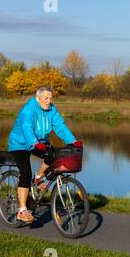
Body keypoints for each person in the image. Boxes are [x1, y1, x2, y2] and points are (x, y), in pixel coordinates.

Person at [8, 86, 83, 223]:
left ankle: (38, 177)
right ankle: (22, 210)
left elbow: (60, 126)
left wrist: (73, 141)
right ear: (38, 98)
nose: (48, 101)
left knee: (53, 156)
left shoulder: (51, 109)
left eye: (50, 98)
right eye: (45, 98)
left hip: (40, 142)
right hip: (20, 143)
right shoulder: (29, 108)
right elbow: (26, 127)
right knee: (25, 173)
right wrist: (34, 142)